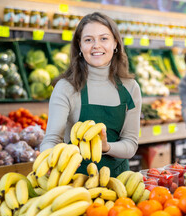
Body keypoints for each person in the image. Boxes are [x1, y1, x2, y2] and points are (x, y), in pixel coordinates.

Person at [40, 12, 142, 177]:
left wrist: (106, 147)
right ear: (80, 45)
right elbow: (51, 140)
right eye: (88, 40)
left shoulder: (130, 88)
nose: (96, 45)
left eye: (104, 38)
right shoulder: (66, 87)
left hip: (119, 181)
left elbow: (130, 145)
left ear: (115, 43)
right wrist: (50, 159)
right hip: (75, 179)